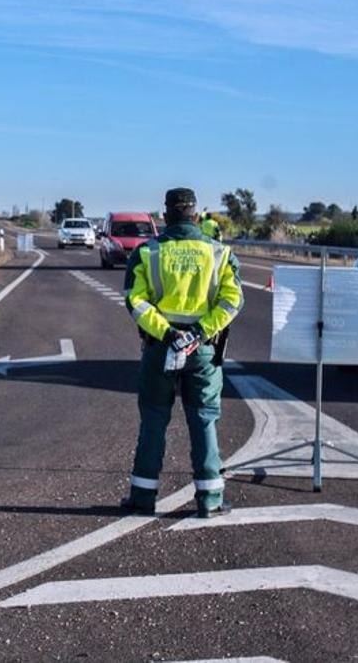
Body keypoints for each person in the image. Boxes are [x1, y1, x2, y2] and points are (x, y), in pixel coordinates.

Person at [119, 188, 243, 518]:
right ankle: (210, 501)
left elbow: (135, 300)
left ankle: (143, 498)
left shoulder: (149, 252)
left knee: (153, 420)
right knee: (204, 420)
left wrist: (169, 333)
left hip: (161, 348)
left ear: (166, 215)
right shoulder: (219, 253)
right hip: (202, 350)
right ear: (196, 214)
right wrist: (199, 333)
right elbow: (232, 301)